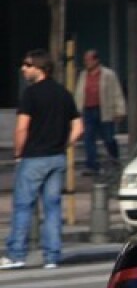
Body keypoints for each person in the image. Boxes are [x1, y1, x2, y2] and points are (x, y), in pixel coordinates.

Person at [2, 50, 83, 270]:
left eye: (27, 65)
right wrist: (65, 144)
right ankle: (52, 256)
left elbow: (21, 128)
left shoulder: (30, 94)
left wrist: (18, 153)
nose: (23, 69)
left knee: (23, 206)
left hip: (33, 157)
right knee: (53, 208)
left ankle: (17, 254)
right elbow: (78, 127)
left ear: (40, 67)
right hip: (56, 157)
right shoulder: (63, 94)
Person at [73, 48, 126, 176]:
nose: (86, 62)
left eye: (89, 60)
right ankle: (92, 165)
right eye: (85, 60)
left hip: (103, 110)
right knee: (88, 139)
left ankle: (114, 162)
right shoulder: (83, 75)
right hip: (88, 110)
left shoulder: (108, 74)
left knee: (108, 138)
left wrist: (119, 110)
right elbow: (79, 93)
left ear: (96, 60)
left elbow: (116, 92)